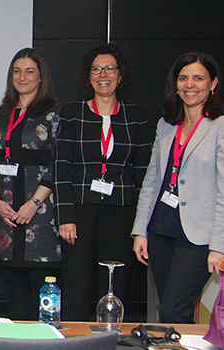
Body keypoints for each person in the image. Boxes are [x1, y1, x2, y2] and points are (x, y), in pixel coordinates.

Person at [131, 52, 224, 323]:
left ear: (213, 84)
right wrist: (140, 231)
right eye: (183, 78)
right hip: (160, 231)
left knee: (172, 311)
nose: (190, 84)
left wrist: (220, 246)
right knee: (170, 314)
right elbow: (152, 181)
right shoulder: (166, 125)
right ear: (175, 85)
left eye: (198, 78)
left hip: (198, 238)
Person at [54, 44, 152, 321]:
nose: (103, 74)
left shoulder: (136, 116)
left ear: (121, 76)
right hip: (81, 211)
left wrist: (142, 224)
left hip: (121, 210)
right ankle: (73, 340)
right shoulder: (72, 113)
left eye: (110, 68)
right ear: (89, 77)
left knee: (113, 282)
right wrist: (66, 216)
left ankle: (109, 340)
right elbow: (61, 168)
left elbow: (144, 173)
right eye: (96, 69)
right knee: (76, 283)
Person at [0, 48, 61, 321]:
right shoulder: (1, 114)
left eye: (29, 71)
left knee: (42, 289)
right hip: (6, 211)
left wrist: (34, 203)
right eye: (17, 71)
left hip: (39, 213)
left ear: (41, 77)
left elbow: (57, 163)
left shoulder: (54, 114)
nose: (22, 76)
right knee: (13, 288)